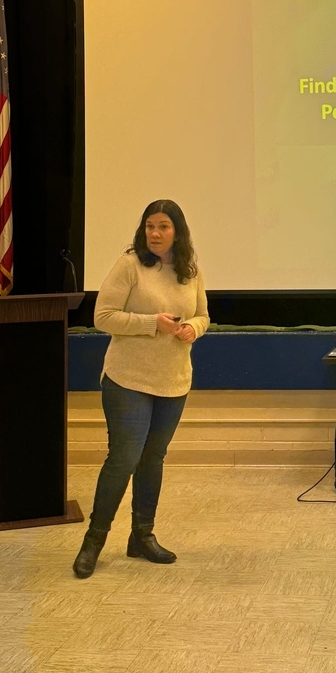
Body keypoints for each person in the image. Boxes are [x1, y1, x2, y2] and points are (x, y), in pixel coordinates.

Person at [72, 199, 210, 579]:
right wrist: (153, 323)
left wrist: (191, 330)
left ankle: (142, 537)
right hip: (128, 379)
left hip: (173, 380)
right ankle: (94, 542)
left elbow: (202, 314)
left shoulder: (190, 270)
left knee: (153, 459)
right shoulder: (130, 264)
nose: (155, 233)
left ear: (177, 231)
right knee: (124, 458)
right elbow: (103, 317)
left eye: (163, 226)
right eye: (150, 226)